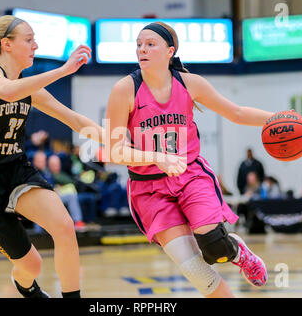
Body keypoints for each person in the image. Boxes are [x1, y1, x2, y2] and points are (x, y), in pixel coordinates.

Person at [105, 22, 274, 298]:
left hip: (190, 175)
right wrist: (155, 157)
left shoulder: (189, 83)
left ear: (170, 51)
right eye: (139, 44)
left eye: (150, 44)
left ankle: (239, 253)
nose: (142, 50)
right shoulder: (124, 89)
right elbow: (113, 151)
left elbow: (238, 113)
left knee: (215, 246)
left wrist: (276, 118)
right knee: (196, 270)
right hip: (148, 189)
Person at [0, 15, 103, 298]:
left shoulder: (27, 86)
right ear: (7, 45)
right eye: (29, 39)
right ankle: (27, 287)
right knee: (31, 265)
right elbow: (8, 93)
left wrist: (120, 140)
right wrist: (64, 70)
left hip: (15, 170)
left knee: (64, 225)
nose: (36, 45)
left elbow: (74, 120)